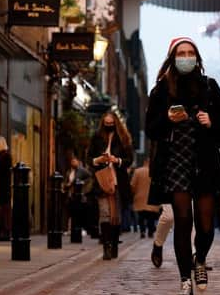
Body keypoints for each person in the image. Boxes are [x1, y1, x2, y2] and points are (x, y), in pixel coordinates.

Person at [146, 36, 220, 295]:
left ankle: (200, 259)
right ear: (173, 58)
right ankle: (185, 281)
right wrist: (167, 119)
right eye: (181, 53)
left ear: (197, 58)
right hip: (175, 162)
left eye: (190, 53)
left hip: (204, 162)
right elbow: (151, 129)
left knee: (206, 226)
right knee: (182, 223)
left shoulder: (210, 86)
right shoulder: (161, 90)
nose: (186, 57)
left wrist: (211, 121)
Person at [87, 111, 134, 260]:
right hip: (102, 180)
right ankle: (106, 246)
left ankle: (114, 245)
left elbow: (129, 159)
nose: (109, 126)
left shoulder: (124, 138)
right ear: (103, 123)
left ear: (116, 123)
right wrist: (98, 160)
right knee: (105, 213)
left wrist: (117, 160)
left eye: (111, 124)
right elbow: (88, 158)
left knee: (116, 215)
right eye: (106, 124)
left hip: (118, 181)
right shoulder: (96, 137)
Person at [63, 151, 92, 234]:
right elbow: (66, 181)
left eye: (75, 161)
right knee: (71, 211)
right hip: (70, 194)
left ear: (78, 162)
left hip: (79, 195)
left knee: (79, 212)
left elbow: (90, 177)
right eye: (72, 161)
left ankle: (81, 229)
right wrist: (66, 185)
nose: (73, 163)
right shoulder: (69, 171)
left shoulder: (82, 170)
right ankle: (70, 229)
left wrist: (84, 187)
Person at [131, 158, 160, 238]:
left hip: (140, 198)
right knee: (151, 217)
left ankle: (142, 231)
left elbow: (133, 185)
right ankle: (150, 232)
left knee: (141, 216)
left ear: (145, 162)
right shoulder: (156, 172)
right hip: (152, 198)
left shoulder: (138, 171)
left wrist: (133, 193)